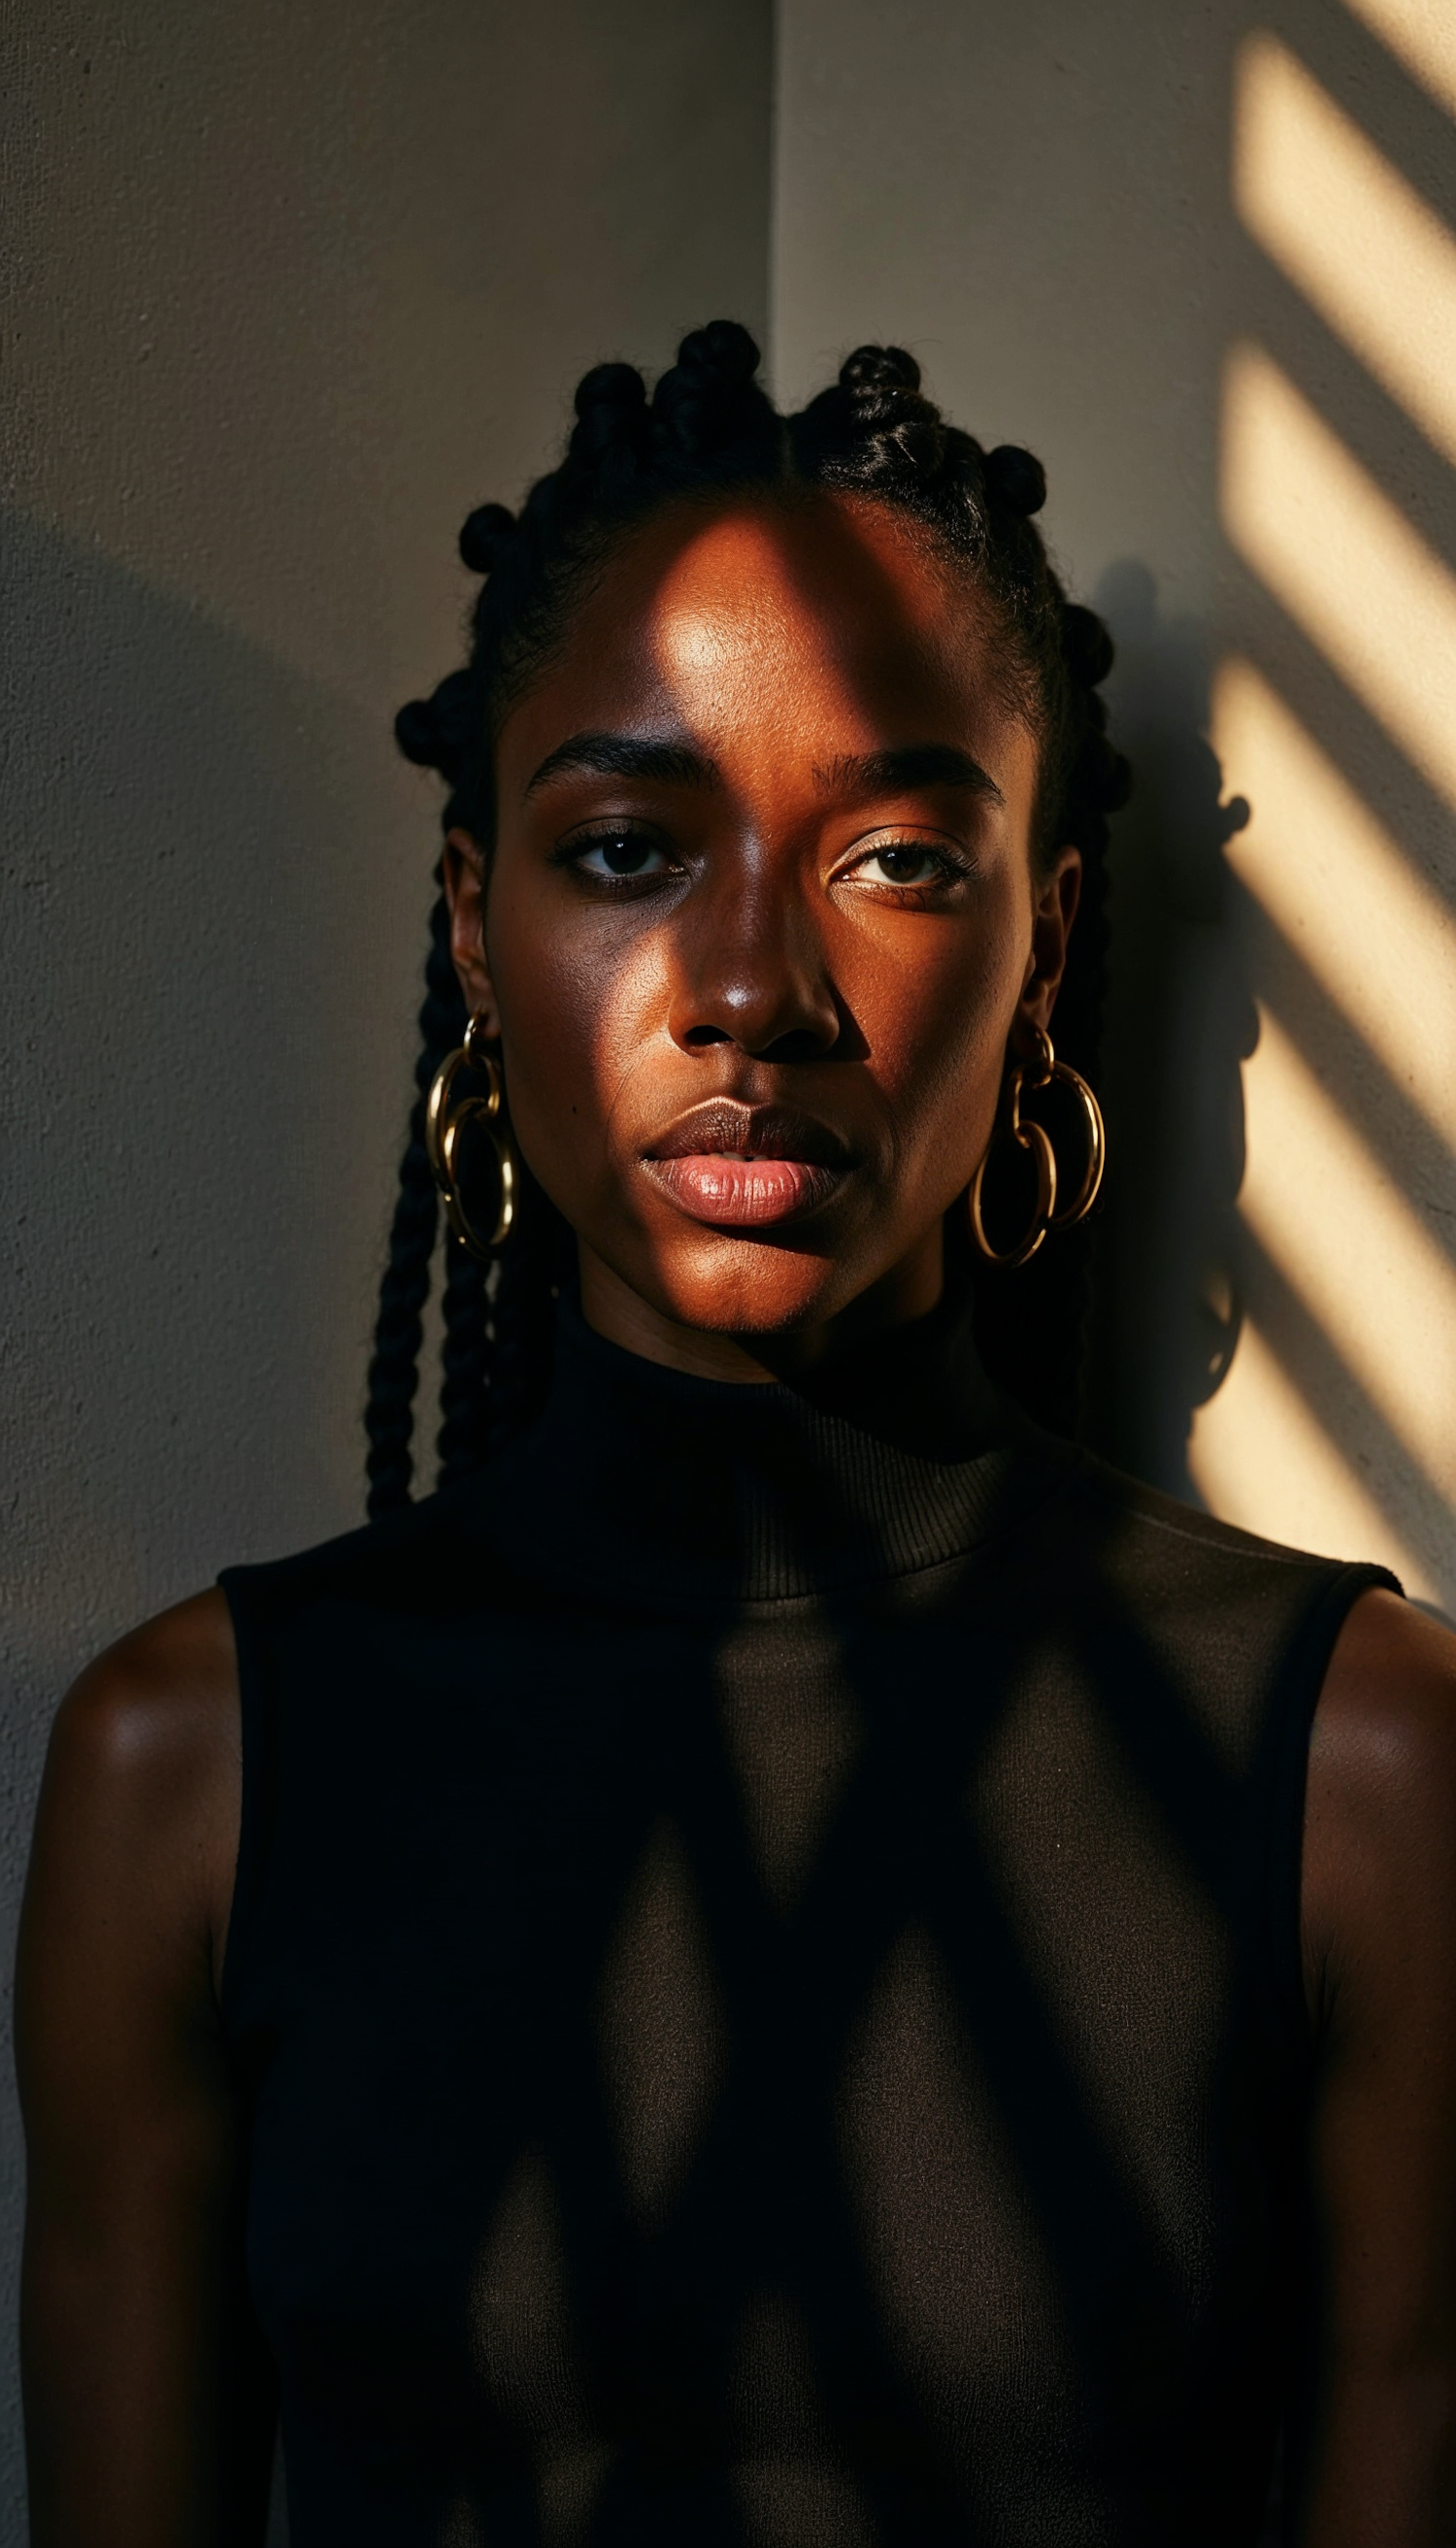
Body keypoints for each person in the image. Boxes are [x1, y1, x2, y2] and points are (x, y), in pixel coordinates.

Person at [17, 322, 1456, 2547]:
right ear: (474, 935)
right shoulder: (188, 1781)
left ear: (1047, 944)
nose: (755, 982)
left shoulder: (1359, 1772)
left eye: (895, 857)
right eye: (621, 850)